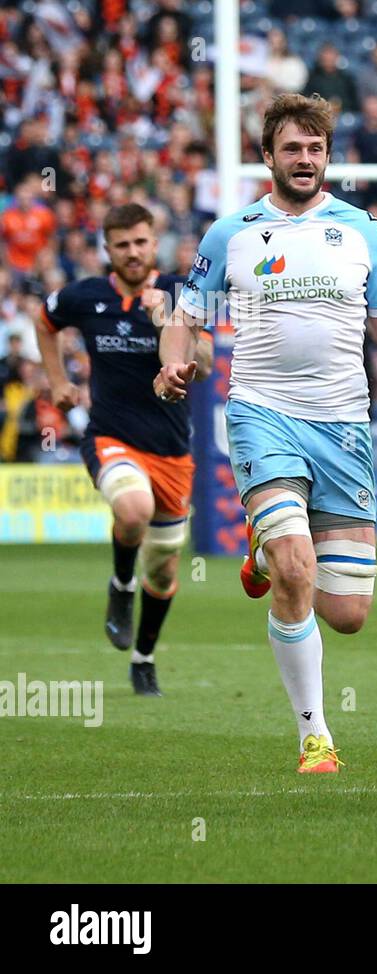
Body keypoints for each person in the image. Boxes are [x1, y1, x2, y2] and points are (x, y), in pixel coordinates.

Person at [156, 94, 377, 774]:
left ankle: (265, 548)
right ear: (267, 156)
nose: (303, 159)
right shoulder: (231, 233)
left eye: (315, 148)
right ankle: (316, 736)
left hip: (342, 425)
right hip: (261, 413)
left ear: (327, 156)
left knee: (348, 612)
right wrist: (172, 360)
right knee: (296, 572)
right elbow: (182, 315)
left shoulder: (362, 230)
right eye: (291, 148)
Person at [37, 203, 212, 695]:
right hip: (111, 437)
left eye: (140, 242)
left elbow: (208, 358)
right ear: (107, 250)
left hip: (172, 450)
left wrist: (166, 322)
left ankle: (144, 656)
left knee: (164, 569)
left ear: (153, 243)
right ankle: (119, 585)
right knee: (133, 509)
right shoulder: (86, 296)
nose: (132, 253)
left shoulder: (184, 291)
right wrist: (57, 381)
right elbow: (44, 322)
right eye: (121, 245)